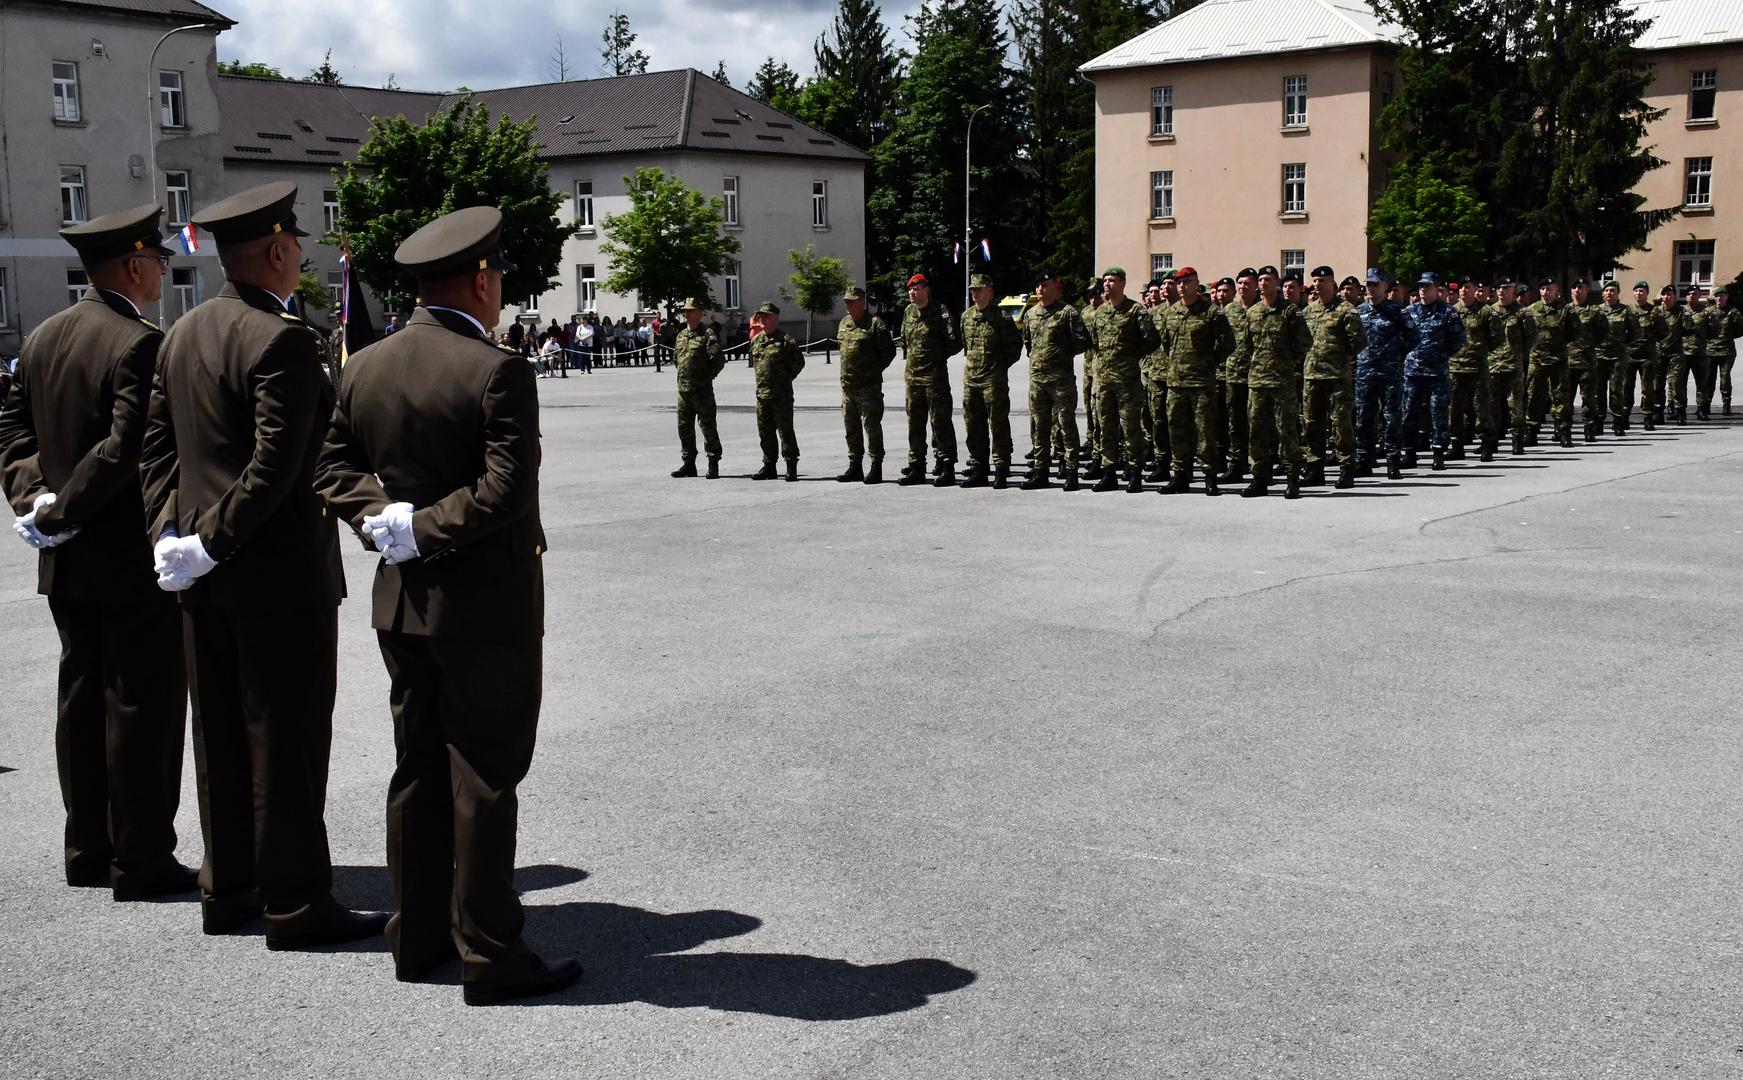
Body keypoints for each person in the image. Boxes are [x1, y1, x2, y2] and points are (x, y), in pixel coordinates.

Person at [313, 206, 581, 1005]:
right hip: (483, 606)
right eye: (497, 276)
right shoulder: (496, 368)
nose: (499, 288)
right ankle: (491, 952)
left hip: (401, 602)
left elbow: (329, 466)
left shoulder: (365, 364)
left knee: (417, 772)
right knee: (485, 776)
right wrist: (424, 528)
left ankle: (418, 935)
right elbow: (504, 492)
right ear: (478, 278)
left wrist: (382, 521)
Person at [139, 180, 385, 947]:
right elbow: (279, 466)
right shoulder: (281, 339)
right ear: (276, 251)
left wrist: (170, 537)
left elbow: (158, 452)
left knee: (217, 733)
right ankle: (297, 903)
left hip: (202, 575)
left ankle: (230, 888)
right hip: (274, 574)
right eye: (297, 249)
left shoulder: (183, 331)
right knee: (285, 738)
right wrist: (209, 540)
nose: (299, 260)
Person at [0, 204, 192, 900]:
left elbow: (12, 431)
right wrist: (66, 505)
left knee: (81, 699)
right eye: (158, 265)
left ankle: (86, 847)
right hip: (121, 553)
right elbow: (125, 448)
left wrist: (36, 503)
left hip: (65, 552)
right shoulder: (138, 342)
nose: (160, 278)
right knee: (141, 702)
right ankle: (140, 857)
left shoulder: (46, 335)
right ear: (135, 266)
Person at [1156, 266, 1233, 495]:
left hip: (1202, 383)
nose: (1182, 286)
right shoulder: (1171, 312)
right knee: (1177, 430)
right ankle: (1180, 475)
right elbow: (1166, 343)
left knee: (1205, 431)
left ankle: (1210, 475)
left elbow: (1228, 343)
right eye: (1179, 282)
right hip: (1176, 382)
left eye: (1187, 282)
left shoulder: (1211, 313)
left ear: (1196, 283)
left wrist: (1209, 362)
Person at [1087, 267, 1161, 492]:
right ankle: (1109, 472)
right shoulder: (1099, 313)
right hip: (1104, 381)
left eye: (1113, 281)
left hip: (1128, 381)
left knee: (1131, 429)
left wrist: (1130, 356)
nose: (1107, 285)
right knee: (1105, 428)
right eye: (1106, 281)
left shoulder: (1136, 311)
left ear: (1123, 284)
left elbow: (1151, 341)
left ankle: (1135, 472)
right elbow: (1094, 342)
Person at [1242, 265, 1312, 498]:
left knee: (1287, 431)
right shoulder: (1252, 312)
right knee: (1257, 432)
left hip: (1282, 381)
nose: (1263, 283)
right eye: (1260, 279)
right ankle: (1260, 478)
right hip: (1258, 381)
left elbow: (1304, 343)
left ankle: (1292, 478)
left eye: (1268, 279)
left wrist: (1288, 364)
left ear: (1276, 283)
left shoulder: (1290, 311)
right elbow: (1247, 346)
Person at [1022, 271, 1092, 490]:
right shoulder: (1030, 314)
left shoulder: (1067, 313)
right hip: (1038, 380)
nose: (1041, 289)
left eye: (1045, 285)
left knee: (1066, 425)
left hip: (1061, 380)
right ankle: (1040, 471)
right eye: (1038, 286)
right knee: (1039, 427)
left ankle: (1071, 471)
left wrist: (1060, 355)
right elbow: (1028, 343)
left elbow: (1081, 341)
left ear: (1055, 286)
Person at [1300, 265, 1365, 487]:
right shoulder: (1309, 311)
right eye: (1315, 281)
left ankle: (1346, 468)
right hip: (1312, 376)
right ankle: (1314, 468)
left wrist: (1340, 357)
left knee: (1340, 423)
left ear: (1332, 283)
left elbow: (1359, 341)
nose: (1318, 284)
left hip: (1338, 376)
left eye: (1322, 280)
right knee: (1312, 424)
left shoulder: (1346, 310)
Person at [958, 273, 1023, 488]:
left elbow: (1015, 347)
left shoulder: (1001, 317)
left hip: (993, 380)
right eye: (972, 290)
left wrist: (999, 367)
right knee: (973, 425)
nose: (974, 293)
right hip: (972, 380)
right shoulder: (966, 317)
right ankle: (978, 468)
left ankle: (1001, 468)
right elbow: (965, 345)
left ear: (989, 291)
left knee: (998, 425)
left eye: (979, 289)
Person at [897, 274, 961, 486]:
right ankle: (916, 466)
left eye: (916, 289)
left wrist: (936, 357)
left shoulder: (940, 312)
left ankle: (947, 465)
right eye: (910, 290)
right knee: (915, 424)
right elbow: (905, 341)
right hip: (913, 379)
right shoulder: (908, 312)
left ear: (926, 290)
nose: (912, 293)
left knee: (940, 423)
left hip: (934, 378)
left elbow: (954, 342)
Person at [1402, 272, 1466, 470]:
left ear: (1436, 289)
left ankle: (1438, 452)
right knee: (1409, 413)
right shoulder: (1409, 312)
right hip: (1412, 372)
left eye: (1427, 286)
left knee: (1438, 413)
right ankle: (1409, 453)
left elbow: (1459, 340)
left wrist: (1441, 355)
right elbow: (1401, 338)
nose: (1422, 290)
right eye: (1420, 286)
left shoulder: (1447, 312)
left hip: (1436, 372)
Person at [1355, 268, 1414, 479]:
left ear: (1385, 287)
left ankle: (1392, 460)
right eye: (1368, 284)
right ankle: (1363, 460)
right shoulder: (1358, 311)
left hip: (1390, 373)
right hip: (1364, 373)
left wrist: (1396, 355)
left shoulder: (1397, 312)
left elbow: (1413, 337)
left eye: (1375, 285)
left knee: (1391, 418)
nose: (1370, 288)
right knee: (1364, 418)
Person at [836, 285, 897, 484]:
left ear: (862, 303)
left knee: (871, 427)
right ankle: (855, 466)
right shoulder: (844, 323)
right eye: (847, 302)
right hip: (848, 388)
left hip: (868, 388)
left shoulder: (875, 324)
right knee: (851, 428)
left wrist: (872, 371)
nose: (849, 306)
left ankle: (875, 466)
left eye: (852, 302)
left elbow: (888, 352)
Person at [671, 298, 727, 478]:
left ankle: (713, 463)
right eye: (685, 311)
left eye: (690, 311)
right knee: (684, 427)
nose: (686, 314)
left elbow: (718, 360)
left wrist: (707, 376)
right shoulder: (681, 335)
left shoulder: (707, 335)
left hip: (702, 390)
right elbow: (676, 360)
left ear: (699, 313)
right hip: (684, 391)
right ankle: (689, 464)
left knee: (708, 426)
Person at [749, 302, 805, 481]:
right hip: (762, 396)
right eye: (760, 316)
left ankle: (791, 465)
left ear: (776, 318)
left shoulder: (786, 340)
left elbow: (798, 362)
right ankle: (769, 466)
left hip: (781, 396)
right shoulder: (756, 341)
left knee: (785, 431)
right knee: (765, 432)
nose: (762, 319)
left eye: (766, 316)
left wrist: (785, 379)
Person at [1218, 269, 1259, 485]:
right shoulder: (1229, 311)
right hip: (1234, 374)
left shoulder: (1264, 308)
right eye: (1240, 283)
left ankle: (1260, 465)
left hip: (1259, 375)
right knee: (1235, 422)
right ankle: (1236, 464)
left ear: (1256, 286)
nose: (1243, 287)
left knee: (1258, 422)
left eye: (1247, 283)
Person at [1483, 277, 1531, 457]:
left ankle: (1517, 440)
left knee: (1515, 405)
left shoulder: (1523, 313)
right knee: (1491, 405)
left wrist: (1518, 354)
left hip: (1513, 365)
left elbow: (1531, 337)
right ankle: (1491, 440)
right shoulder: (1489, 312)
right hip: (1493, 365)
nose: (1502, 291)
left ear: (1513, 291)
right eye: (1499, 288)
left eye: (1506, 288)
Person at [1524, 277, 1574, 446]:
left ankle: (1563, 430)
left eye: (1550, 289)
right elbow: (1524, 334)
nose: (1546, 292)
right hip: (1537, 359)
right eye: (1543, 288)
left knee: (1560, 397)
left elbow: (1574, 331)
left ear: (1556, 290)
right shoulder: (1531, 310)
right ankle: (1531, 431)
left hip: (1558, 360)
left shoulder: (1565, 310)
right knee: (1533, 396)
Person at [1448, 275, 1493, 460]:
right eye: (1461, 287)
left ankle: (1486, 444)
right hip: (1455, 367)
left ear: (1475, 290)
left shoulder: (1485, 312)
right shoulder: (1451, 312)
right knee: (1455, 408)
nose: (1464, 290)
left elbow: (1496, 338)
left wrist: (1480, 352)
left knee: (1481, 407)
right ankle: (1456, 445)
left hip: (1477, 367)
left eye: (1468, 287)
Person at [1565, 279, 1610, 441]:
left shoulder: (1595, 311)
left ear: (1587, 290)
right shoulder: (1565, 310)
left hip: (1587, 361)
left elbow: (1603, 333)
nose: (1577, 290)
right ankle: (1564, 429)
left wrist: (1589, 346)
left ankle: (1589, 428)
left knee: (1589, 398)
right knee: (1565, 399)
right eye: (1575, 287)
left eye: (1581, 287)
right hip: (1567, 362)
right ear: (1571, 291)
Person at [1596, 281, 1639, 437]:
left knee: (1616, 391)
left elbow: (1636, 332)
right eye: (1606, 290)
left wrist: (1623, 344)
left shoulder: (1626, 311)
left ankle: (1618, 423)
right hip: (1599, 356)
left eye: (1612, 290)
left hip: (1618, 357)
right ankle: (1598, 422)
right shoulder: (1597, 311)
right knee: (1598, 391)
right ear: (1603, 294)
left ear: (1618, 293)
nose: (1609, 293)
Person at [1667, 286, 1707, 423]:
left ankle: (1701, 409)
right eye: (1689, 294)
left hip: (1699, 352)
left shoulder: (1705, 311)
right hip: (1682, 352)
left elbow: (1713, 330)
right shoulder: (1680, 311)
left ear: (1699, 295)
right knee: (1678, 383)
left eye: (1695, 294)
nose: (1691, 296)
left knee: (1701, 383)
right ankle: (1678, 409)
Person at [1700, 285, 1742, 414]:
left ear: (1727, 297)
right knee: (1709, 379)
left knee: (1725, 378)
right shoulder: (1708, 312)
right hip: (1710, 350)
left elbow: (1740, 329)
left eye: (1722, 296)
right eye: (1717, 296)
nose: (1719, 299)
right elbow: (1702, 330)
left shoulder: (1732, 312)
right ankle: (1706, 405)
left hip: (1727, 351)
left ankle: (1726, 405)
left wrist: (1728, 337)